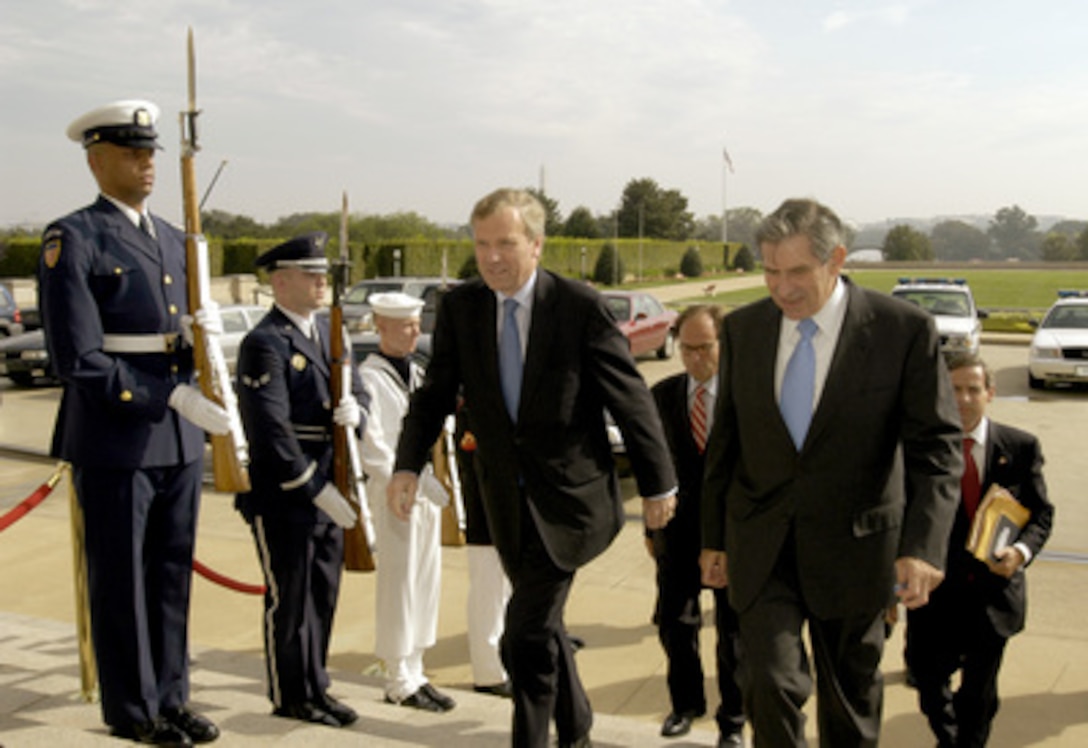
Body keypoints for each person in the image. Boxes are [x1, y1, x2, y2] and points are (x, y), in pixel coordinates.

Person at [386, 188, 678, 748]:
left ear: (537, 245)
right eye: (481, 244)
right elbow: (435, 395)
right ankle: (578, 731)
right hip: (504, 504)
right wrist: (406, 464)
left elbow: (630, 399)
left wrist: (659, 480)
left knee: (521, 636)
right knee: (542, 628)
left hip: (572, 504)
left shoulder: (578, 307)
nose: (491, 256)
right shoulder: (462, 308)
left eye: (506, 243)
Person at [699, 197, 963, 748]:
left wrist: (923, 546)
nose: (782, 287)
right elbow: (726, 444)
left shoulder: (902, 331)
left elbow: (936, 447)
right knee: (768, 683)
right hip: (762, 543)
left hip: (857, 550)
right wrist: (712, 539)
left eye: (797, 271)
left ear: (836, 259)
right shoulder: (744, 330)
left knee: (849, 706)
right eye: (770, 271)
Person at [39, 99, 228, 746]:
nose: (147, 163)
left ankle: (171, 697)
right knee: (121, 579)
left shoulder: (174, 238)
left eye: (149, 152)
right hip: (117, 433)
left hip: (175, 438)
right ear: (96, 160)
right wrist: (165, 398)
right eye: (131, 152)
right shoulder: (75, 237)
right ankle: (133, 709)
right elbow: (79, 358)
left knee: (171, 574)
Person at [234, 232, 366, 729]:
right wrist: (313, 485)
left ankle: (317, 686)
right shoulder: (265, 342)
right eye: (310, 275)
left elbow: (356, 393)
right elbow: (270, 428)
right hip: (288, 494)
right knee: (289, 600)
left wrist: (357, 413)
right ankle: (291, 694)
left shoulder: (329, 335)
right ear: (280, 280)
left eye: (322, 275)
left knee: (322, 593)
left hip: (332, 484)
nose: (320, 283)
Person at [906, 352, 1054, 748]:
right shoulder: (918, 450)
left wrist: (1020, 552)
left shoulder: (1020, 447)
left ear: (990, 392)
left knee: (979, 696)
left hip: (993, 597)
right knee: (928, 683)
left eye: (973, 389)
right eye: (954, 389)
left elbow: (1040, 514)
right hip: (936, 596)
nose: (964, 399)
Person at [649, 304, 745, 747]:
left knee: (734, 634)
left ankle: (733, 720)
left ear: (723, 345)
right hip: (678, 535)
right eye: (686, 349)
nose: (694, 358)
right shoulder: (663, 396)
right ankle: (685, 704)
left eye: (704, 348)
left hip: (733, 537)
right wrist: (652, 530)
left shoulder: (747, 398)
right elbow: (654, 469)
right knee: (675, 623)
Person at [357, 292, 457, 712]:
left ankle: (417, 667)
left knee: (425, 580)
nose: (416, 331)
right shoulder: (370, 377)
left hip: (423, 492)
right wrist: (406, 478)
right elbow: (373, 445)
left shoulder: (416, 372)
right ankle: (397, 676)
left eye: (418, 324)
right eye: (406, 325)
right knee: (399, 584)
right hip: (394, 493)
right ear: (381, 326)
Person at [453, 404, 513, 698]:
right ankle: (489, 673)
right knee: (488, 594)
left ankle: (502, 661)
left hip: (505, 518)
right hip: (486, 521)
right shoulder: (472, 411)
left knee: (503, 594)